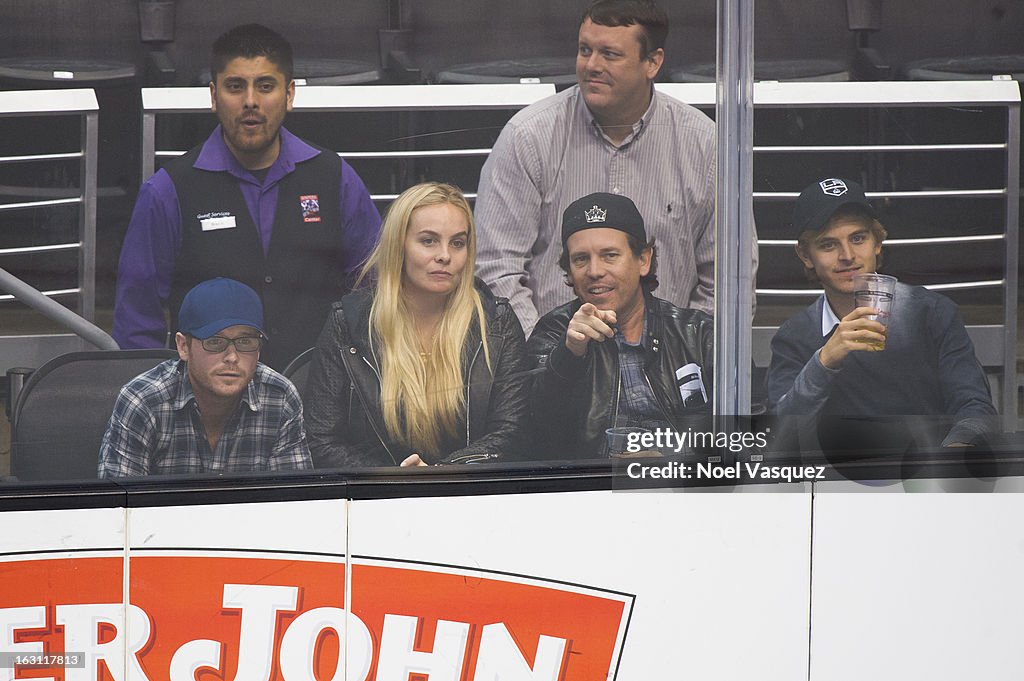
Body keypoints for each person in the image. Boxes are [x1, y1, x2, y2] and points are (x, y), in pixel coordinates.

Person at [475, 0, 755, 335]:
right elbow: (496, 269)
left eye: (609, 54)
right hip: (555, 368)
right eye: (584, 50)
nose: (591, 65)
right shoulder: (528, 137)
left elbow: (729, 280)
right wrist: (547, 354)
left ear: (652, 62)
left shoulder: (706, 144)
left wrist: (687, 355)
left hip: (669, 368)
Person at [113, 23, 381, 369]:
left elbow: (376, 294)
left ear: (289, 95)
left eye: (265, 86)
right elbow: (137, 321)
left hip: (317, 401)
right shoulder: (168, 191)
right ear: (213, 96)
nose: (251, 101)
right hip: (206, 409)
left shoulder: (335, 179)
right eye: (235, 87)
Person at [305, 182, 531, 467]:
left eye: (458, 243)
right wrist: (394, 478)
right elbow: (321, 439)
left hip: (472, 495)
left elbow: (512, 433)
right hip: (374, 500)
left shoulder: (496, 321)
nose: (445, 256)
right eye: (428, 241)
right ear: (399, 246)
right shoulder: (347, 323)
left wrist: (440, 474)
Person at [767, 177, 996, 448]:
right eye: (828, 244)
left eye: (858, 238)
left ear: (878, 242)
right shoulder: (795, 336)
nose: (847, 255)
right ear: (805, 256)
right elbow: (778, 437)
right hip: (838, 484)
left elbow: (976, 408)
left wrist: (952, 458)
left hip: (923, 477)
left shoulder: (931, 313)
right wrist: (825, 361)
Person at [527, 192, 714, 459]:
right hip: (591, 492)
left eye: (610, 255)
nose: (594, 271)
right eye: (580, 259)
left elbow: (751, 435)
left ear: (643, 260)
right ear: (568, 270)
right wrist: (569, 354)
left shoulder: (698, 335)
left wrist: (673, 460)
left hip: (688, 492)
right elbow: (533, 435)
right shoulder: (555, 332)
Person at [99, 278, 312, 477]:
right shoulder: (143, 401)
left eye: (246, 341)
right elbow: (118, 510)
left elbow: (293, 507)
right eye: (215, 342)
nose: (232, 357)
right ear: (183, 347)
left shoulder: (280, 397)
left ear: (259, 350)